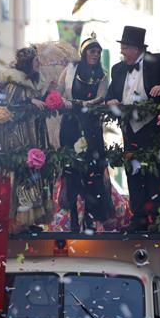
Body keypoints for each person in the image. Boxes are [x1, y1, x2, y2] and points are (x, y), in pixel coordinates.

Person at [106, 26, 160, 230]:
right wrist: (111, 101)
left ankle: (157, 218)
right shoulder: (117, 69)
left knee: (154, 171)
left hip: (152, 126)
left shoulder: (156, 61)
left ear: (136, 49)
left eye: (125, 47)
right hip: (130, 127)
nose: (122, 51)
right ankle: (139, 217)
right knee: (133, 170)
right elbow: (110, 94)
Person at [55, 34, 112, 232]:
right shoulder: (70, 69)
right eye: (92, 51)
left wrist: (84, 104)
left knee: (92, 170)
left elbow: (102, 96)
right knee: (71, 168)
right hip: (70, 124)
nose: (95, 55)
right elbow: (59, 91)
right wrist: (64, 102)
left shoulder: (102, 75)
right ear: (84, 53)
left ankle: (90, 218)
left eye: (98, 52)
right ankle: (72, 215)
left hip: (91, 125)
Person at [0, 46, 52, 231]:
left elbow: (38, 100)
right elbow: (9, 104)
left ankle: (29, 221)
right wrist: (29, 102)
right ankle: (17, 221)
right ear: (28, 63)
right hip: (18, 138)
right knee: (20, 174)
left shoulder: (33, 81)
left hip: (32, 135)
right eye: (36, 60)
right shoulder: (15, 82)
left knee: (31, 174)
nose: (39, 63)